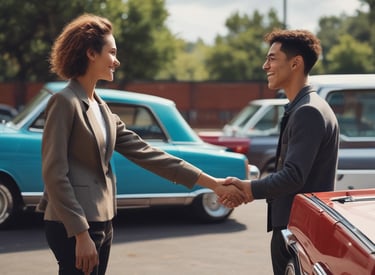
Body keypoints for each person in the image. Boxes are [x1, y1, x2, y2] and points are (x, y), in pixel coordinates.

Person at [36, 14, 249, 275]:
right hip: (74, 225)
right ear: (91, 53)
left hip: (102, 220)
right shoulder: (64, 102)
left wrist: (212, 183)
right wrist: (80, 233)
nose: (117, 60)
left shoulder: (101, 108)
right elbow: (54, 173)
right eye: (112, 52)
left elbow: (148, 154)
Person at [222, 29, 340, 275]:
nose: (265, 66)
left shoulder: (309, 111)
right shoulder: (308, 106)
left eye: (272, 58)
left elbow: (293, 175)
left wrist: (249, 189)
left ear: (295, 63)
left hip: (297, 230)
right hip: (298, 228)